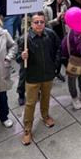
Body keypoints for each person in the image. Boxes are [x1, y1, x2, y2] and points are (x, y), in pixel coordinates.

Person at [20, 12, 59, 146]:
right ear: (31, 24)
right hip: (33, 76)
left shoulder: (50, 34)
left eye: (42, 22)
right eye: (36, 22)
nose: (39, 24)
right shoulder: (25, 39)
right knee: (30, 103)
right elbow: (18, 59)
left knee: (46, 97)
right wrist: (22, 57)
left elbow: (57, 50)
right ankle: (27, 129)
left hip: (48, 74)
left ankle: (45, 116)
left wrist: (55, 66)